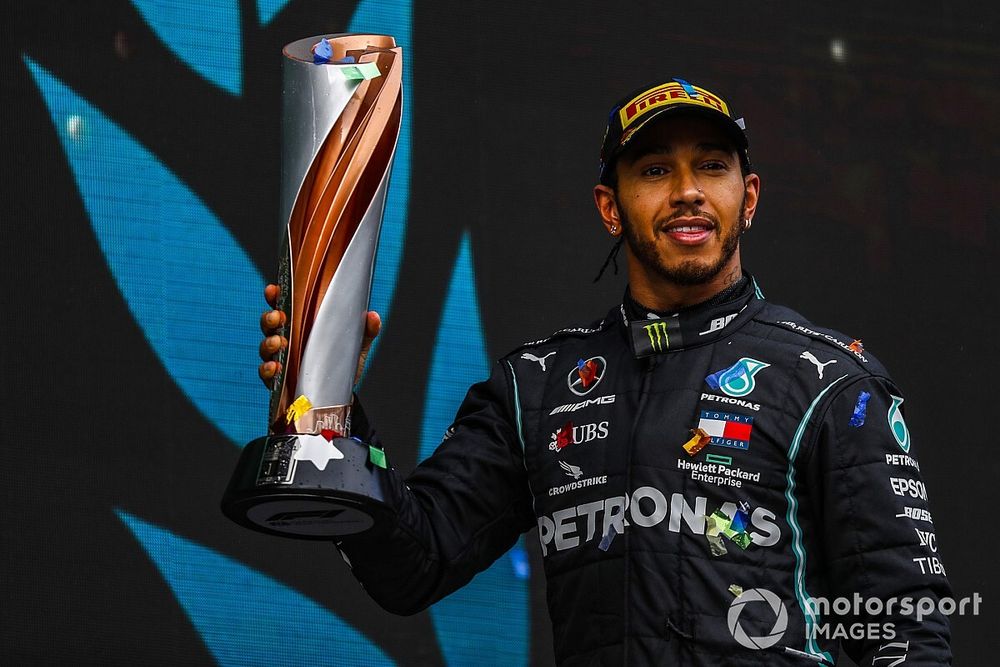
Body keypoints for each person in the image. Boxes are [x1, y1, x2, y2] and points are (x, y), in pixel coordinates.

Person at [258, 78, 952, 665]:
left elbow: (907, 634)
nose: (687, 192)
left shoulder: (828, 382)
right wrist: (332, 407)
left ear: (750, 196)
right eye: (654, 170)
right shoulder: (539, 386)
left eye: (712, 166)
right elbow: (412, 565)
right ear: (609, 207)